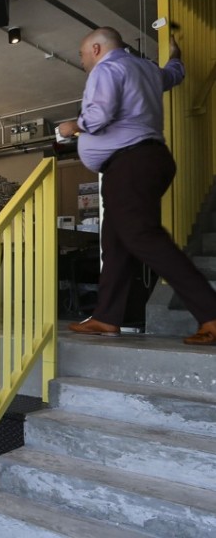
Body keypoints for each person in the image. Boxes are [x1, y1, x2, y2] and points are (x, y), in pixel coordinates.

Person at [58, 27, 216, 345]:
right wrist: (176, 53)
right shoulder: (145, 70)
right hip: (143, 162)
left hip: (130, 164)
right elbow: (174, 74)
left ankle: (212, 313)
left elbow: (100, 115)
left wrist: (71, 126)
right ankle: (106, 317)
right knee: (115, 245)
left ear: (98, 48)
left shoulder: (108, 69)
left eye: (83, 54)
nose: (83, 61)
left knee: (144, 238)